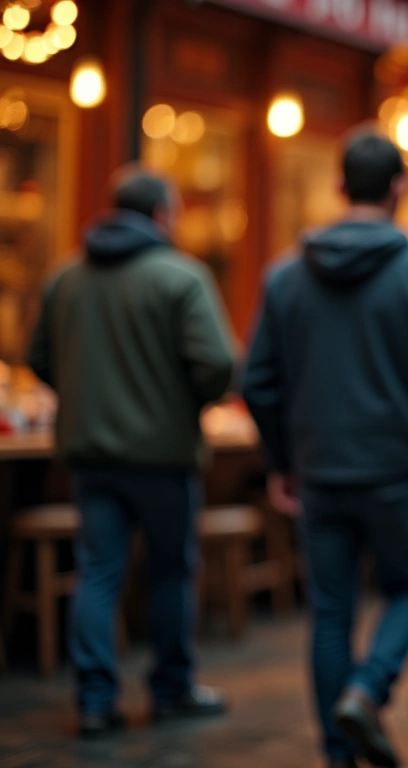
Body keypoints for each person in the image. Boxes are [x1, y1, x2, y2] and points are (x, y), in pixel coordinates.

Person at [242, 130, 408, 768]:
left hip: (318, 470)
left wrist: (281, 461)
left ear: (340, 187)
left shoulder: (285, 277)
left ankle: (338, 752)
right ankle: (368, 691)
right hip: (395, 469)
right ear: (399, 189)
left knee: (330, 612)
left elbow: (257, 381)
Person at [27, 168, 236, 737]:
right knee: (169, 573)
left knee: (98, 572)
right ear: (163, 215)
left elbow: (39, 356)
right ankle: (171, 690)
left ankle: (94, 701)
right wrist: (186, 401)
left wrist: (85, 396)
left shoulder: (65, 277)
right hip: (164, 457)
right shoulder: (181, 277)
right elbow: (218, 362)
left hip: (89, 454)